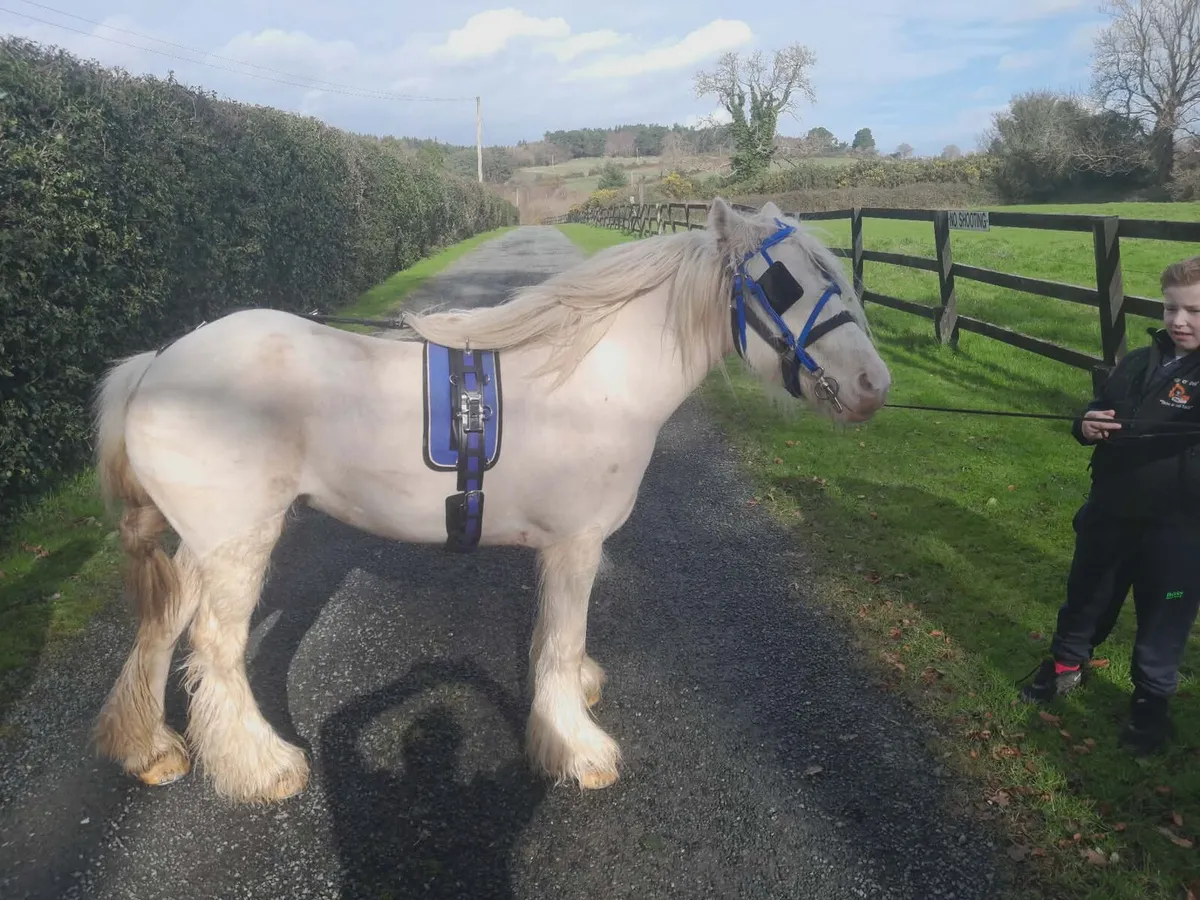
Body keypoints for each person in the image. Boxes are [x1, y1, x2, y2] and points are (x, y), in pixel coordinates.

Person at [1019, 255, 1200, 756]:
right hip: (1110, 512)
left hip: (1180, 530)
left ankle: (1150, 705)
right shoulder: (1139, 362)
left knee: (1163, 620)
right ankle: (1063, 668)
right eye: (1171, 309)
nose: (1179, 321)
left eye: (1194, 311)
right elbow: (1101, 408)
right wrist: (1085, 425)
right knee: (1086, 599)